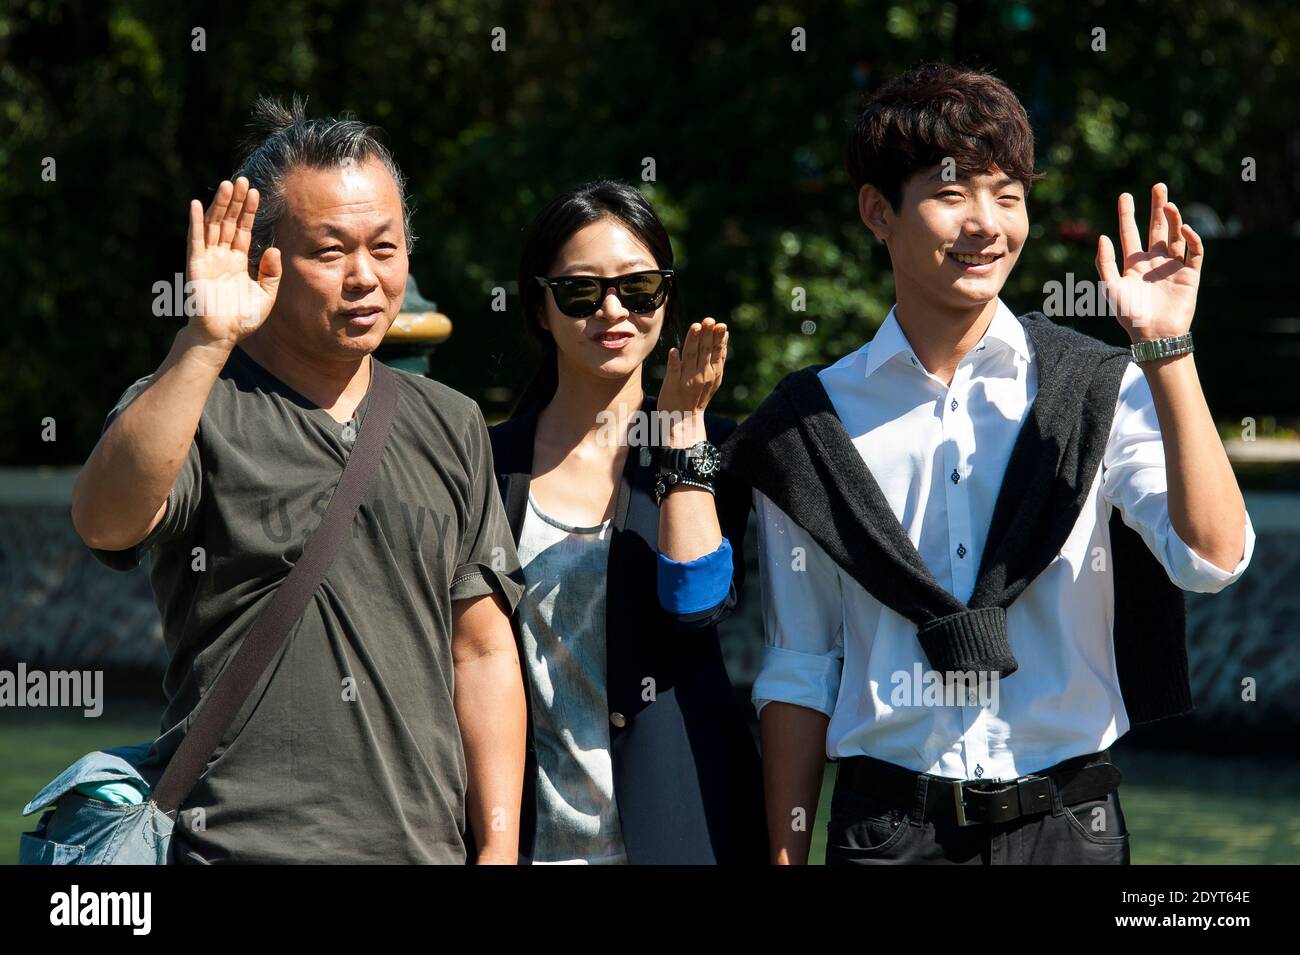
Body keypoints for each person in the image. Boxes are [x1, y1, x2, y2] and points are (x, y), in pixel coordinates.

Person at [722, 63, 1254, 865]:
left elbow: (1213, 559)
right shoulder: (809, 425)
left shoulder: (1096, 389)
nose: (986, 224)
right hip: (887, 833)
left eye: (1008, 195)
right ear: (878, 212)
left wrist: (1167, 351)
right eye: (952, 193)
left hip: (1070, 827)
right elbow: (800, 664)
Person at [70, 96, 527, 863]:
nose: (365, 278)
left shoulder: (450, 422)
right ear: (264, 260)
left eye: (385, 248)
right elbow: (104, 521)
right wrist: (202, 339)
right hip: (236, 849)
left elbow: (480, 650)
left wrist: (500, 847)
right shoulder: (197, 400)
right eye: (330, 251)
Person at [487, 180, 767, 864]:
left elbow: (694, 602)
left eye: (639, 289)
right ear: (540, 307)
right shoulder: (487, 464)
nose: (613, 311)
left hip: (687, 828)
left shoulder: (724, 452)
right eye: (582, 293)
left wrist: (681, 434)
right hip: (529, 837)